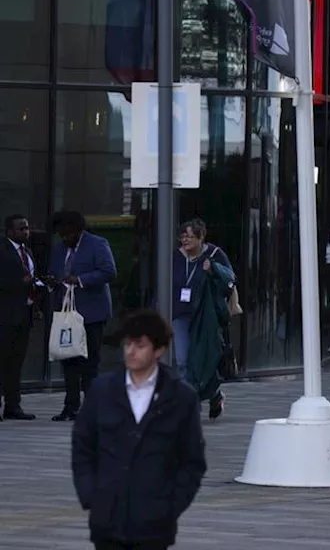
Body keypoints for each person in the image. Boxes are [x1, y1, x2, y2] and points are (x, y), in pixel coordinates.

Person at [72, 310, 206, 550]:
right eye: (128, 344)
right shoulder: (103, 391)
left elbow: (192, 460)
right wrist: (92, 495)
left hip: (154, 524)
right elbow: (83, 447)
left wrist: (170, 506)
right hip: (107, 520)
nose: (131, 351)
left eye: (140, 345)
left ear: (159, 350)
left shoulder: (180, 397)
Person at [46, 211, 119, 422]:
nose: (64, 238)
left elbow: (109, 272)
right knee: (68, 360)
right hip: (66, 313)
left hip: (92, 313)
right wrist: (52, 282)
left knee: (90, 362)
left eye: (67, 234)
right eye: (61, 234)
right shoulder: (59, 249)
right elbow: (55, 272)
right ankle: (70, 407)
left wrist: (79, 279)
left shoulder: (97, 244)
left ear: (78, 230)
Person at [168, 219, 234, 419]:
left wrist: (213, 270)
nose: (185, 240)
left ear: (201, 237)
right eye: (183, 236)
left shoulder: (214, 254)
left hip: (205, 316)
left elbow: (229, 280)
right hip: (180, 314)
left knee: (204, 360)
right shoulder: (176, 257)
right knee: (183, 360)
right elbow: (164, 282)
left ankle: (214, 394)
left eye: (190, 236)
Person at [0, 214, 42, 421]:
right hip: (5, 315)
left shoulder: (28, 251)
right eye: (21, 228)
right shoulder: (3, 250)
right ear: (9, 232)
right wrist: (20, 282)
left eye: (27, 228)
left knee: (16, 363)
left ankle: (13, 406)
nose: (26, 232)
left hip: (24, 315)